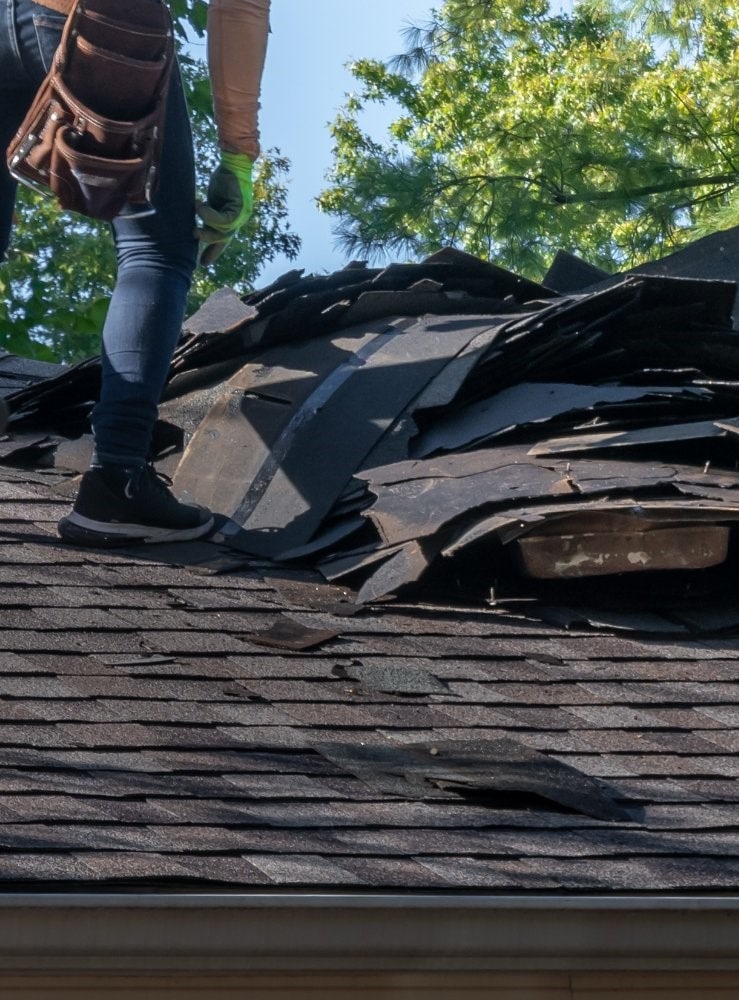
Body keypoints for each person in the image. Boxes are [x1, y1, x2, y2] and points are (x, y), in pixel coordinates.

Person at [0, 0, 270, 546]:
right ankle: (117, 479)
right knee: (159, 249)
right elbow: (239, 6)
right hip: (87, 20)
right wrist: (238, 155)